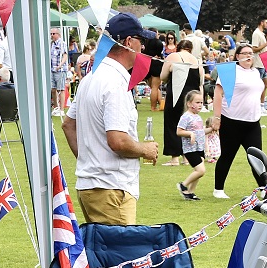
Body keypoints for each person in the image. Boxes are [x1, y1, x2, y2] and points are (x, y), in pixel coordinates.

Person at [63, 13, 160, 226]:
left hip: (92, 186)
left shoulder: (91, 77)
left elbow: (68, 125)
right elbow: (118, 141)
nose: (143, 48)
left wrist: (89, 161)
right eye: (141, 42)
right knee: (121, 257)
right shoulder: (116, 82)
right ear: (129, 42)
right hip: (111, 188)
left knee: (103, 256)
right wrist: (146, 149)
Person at [209, 43, 265, 200]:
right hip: (231, 120)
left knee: (256, 156)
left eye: (251, 53)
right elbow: (218, 94)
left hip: (252, 122)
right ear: (238, 56)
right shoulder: (230, 70)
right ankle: (218, 189)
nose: (249, 56)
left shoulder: (255, 72)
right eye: (245, 53)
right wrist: (217, 117)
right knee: (227, 155)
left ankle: (264, 188)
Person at [161, 39, 204, 167]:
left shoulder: (173, 56)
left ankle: (174, 158)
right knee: (188, 126)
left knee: (172, 124)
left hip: (176, 95)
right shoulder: (197, 61)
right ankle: (186, 158)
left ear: (178, 47)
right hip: (192, 98)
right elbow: (201, 82)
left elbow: (163, 76)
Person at [176, 90, 212, 201]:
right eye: (197, 102)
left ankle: (190, 192)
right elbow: (179, 131)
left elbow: (200, 132)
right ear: (189, 104)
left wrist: (211, 129)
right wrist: (189, 133)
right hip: (190, 149)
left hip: (199, 148)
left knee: (199, 172)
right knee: (200, 171)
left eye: (201, 102)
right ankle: (183, 185)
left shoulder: (198, 117)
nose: (200, 105)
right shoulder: (186, 117)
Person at [251, 18, 267, 116]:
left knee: (265, 85)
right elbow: (254, 49)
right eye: (266, 22)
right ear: (261, 22)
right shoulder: (256, 34)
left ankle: (261, 106)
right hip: (258, 64)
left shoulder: (262, 34)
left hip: (263, 63)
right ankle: (256, 107)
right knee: (258, 87)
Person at [50, 29, 69, 116]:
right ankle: (56, 107)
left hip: (60, 70)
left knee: (61, 89)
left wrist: (61, 64)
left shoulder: (62, 43)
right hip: (52, 69)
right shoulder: (51, 44)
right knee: (53, 89)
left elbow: (65, 55)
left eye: (53, 34)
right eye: (51, 34)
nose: (51, 35)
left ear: (58, 34)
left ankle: (61, 109)